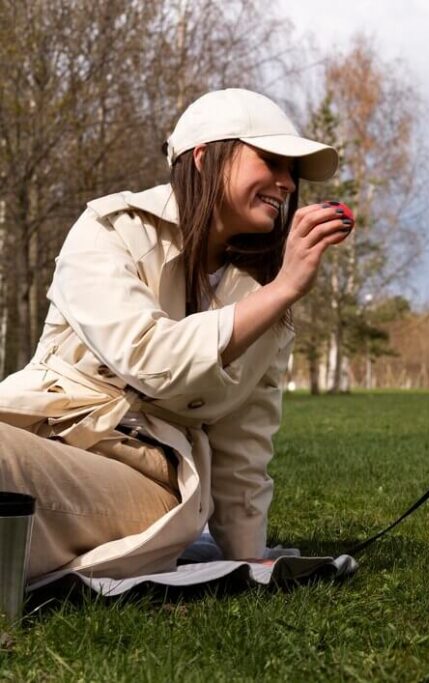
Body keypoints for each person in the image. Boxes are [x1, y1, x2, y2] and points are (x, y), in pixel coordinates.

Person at [0, 88, 353, 581]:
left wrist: (247, 554)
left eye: (291, 172)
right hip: (34, 433)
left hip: (143, 475)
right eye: (271, 161)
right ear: (205, 159)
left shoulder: (266, 296)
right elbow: (147, 352)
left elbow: (244, 439)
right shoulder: (110, 230)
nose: (286, 183)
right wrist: (280, 291)